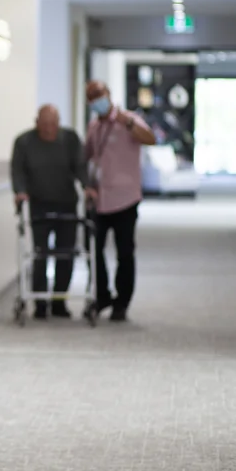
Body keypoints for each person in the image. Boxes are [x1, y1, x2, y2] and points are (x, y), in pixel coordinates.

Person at [11, 105, 94, 319]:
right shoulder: (24, 142)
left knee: (65, 254)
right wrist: (20, 192)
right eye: (44, 124)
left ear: (59, 123)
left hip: (66, 204)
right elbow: (18, 171)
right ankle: (40, 303)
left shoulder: (70, 139)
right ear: (36, 122)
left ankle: (59, 302)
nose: (48, 129)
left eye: (53, 124)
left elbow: (80, 167)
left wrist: (87, 187)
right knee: (40, 254)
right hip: (39, 205)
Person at [83, 80, 157, 322]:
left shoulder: (128, 120)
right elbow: (88, 158)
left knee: (124, 252)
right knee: (94, 250)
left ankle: (122, 302)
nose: (96, 100)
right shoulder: (94, 127)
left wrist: (127, 122)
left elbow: (150, 138)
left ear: (108, 95)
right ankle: (102, 295)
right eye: (91, 96)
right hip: (99, 199)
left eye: (99, 94)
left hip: (126, 198)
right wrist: (88, 186)